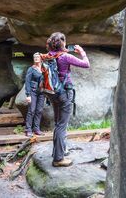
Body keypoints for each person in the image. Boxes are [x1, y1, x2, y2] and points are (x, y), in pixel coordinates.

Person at [44, 32, 90, 167]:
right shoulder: (65, 56)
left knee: (58, 123)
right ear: (62, 43)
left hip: (52, 93)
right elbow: (86, 64)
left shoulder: (47, 56)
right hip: (64, 93)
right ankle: (58, 159)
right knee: (62, 125)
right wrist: (82, 52)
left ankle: (59, 151)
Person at [24, 52, 45, 137]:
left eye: (37, 57)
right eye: (34, 57)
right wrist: (28, 94)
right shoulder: (31, 69)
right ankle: (28, 129)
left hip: (42, 92)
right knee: (31, 110)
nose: (36, 58)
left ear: (41, 58)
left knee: (39, 110)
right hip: (33, 91)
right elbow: (27, 82)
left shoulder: (44, 68)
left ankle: (36, 129)